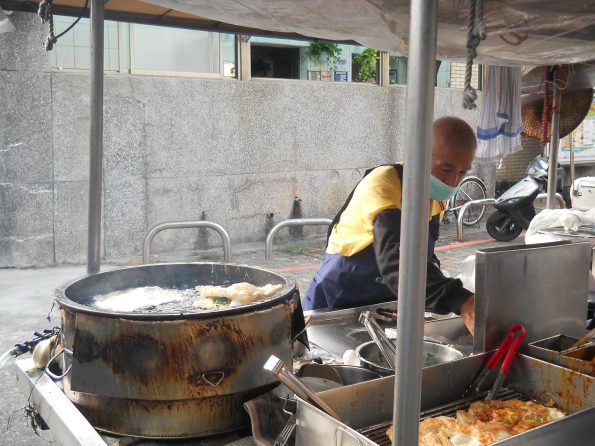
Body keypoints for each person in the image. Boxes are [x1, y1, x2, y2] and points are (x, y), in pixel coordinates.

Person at [303, 116, 476, 334]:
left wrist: (431, 276)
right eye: (446, 169)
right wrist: (460, 300)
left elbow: (423, 254)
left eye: (462, 173)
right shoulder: (383, 184)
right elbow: (396, 258)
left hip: (383, 309)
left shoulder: (435, 197)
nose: (452, 182)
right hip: (336, 302)